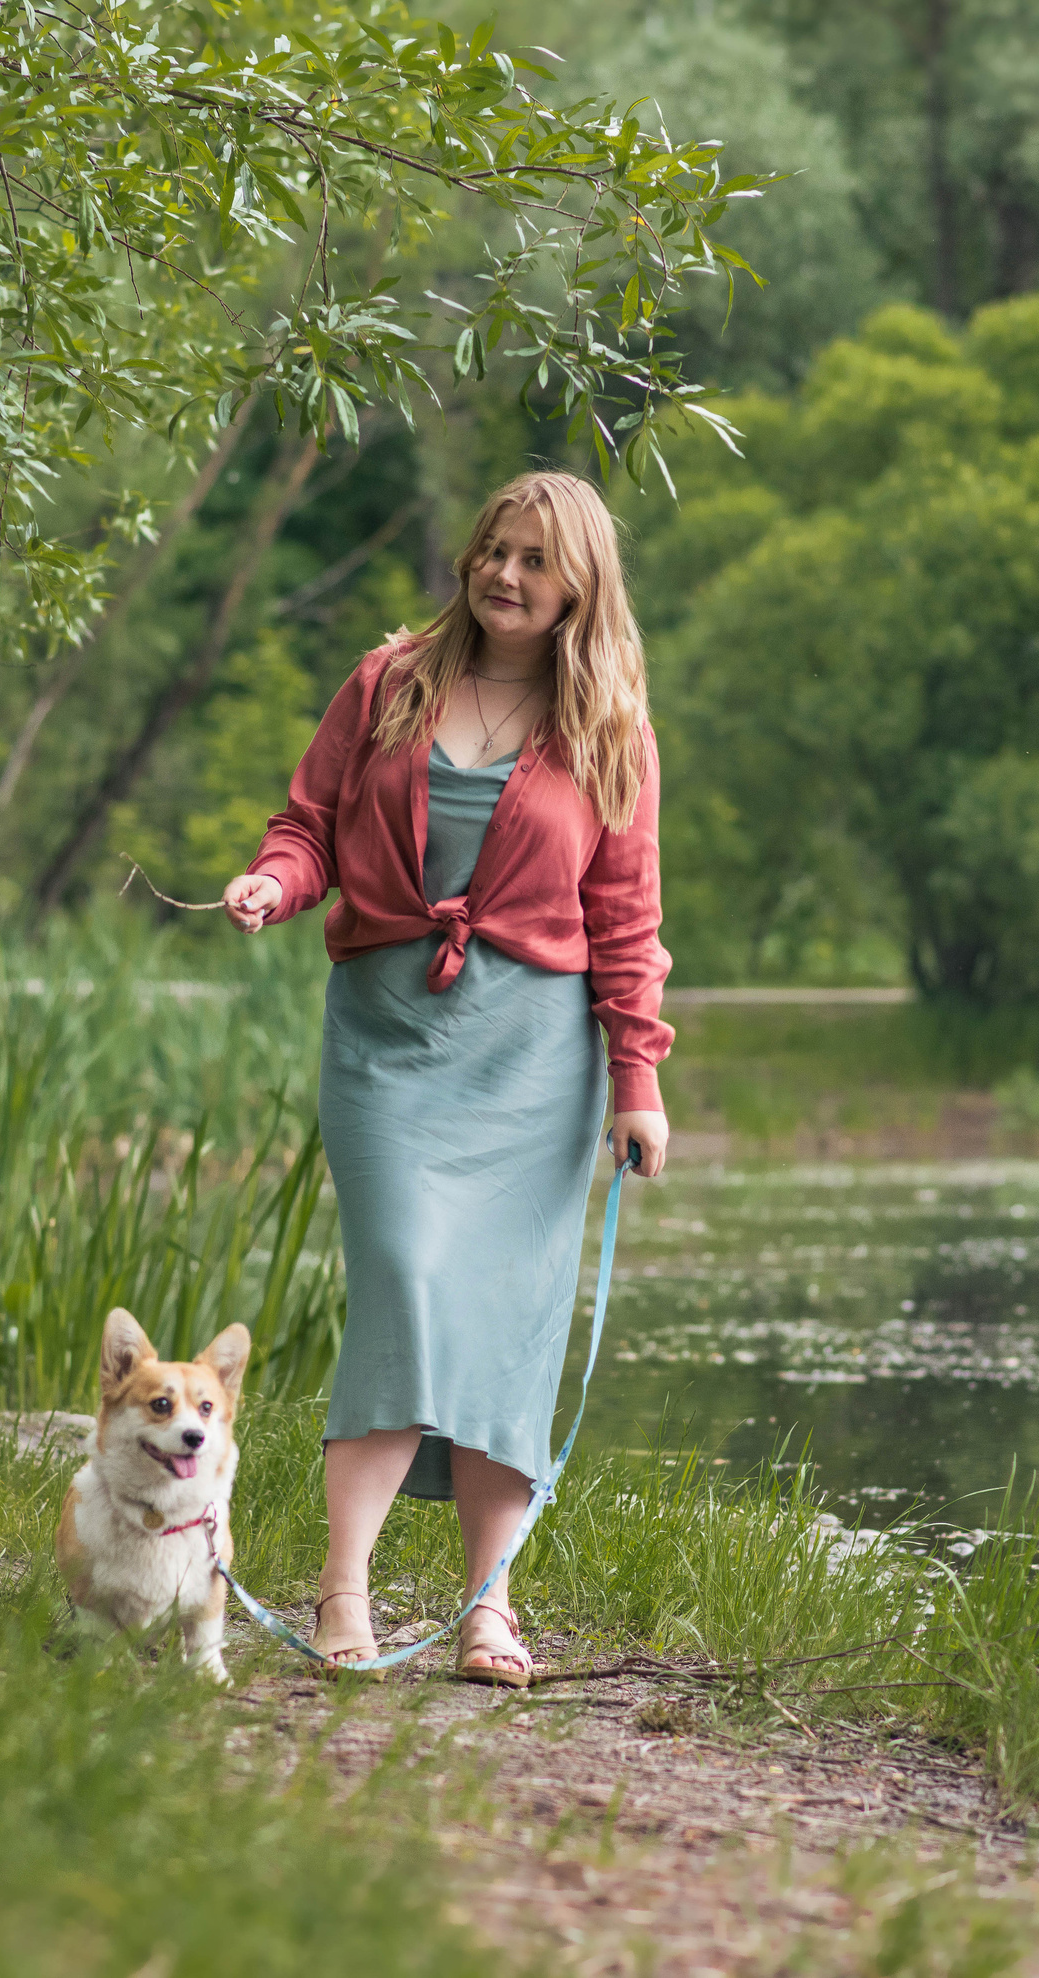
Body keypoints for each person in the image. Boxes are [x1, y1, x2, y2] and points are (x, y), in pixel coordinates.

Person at [221, 469, 672, 1686]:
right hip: (385, 1041)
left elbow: (626, 921)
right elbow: (308, 823)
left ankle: (487, 1607)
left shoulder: (607, 729)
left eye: (534, 560)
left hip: (533, 1060)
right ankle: (343, 1591)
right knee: (406, 1286)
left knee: (503, 1330)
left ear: (580, 584)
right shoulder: (389, 682)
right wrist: (274, 881)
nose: (505, 576)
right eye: (493, 550)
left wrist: (638, 1079)